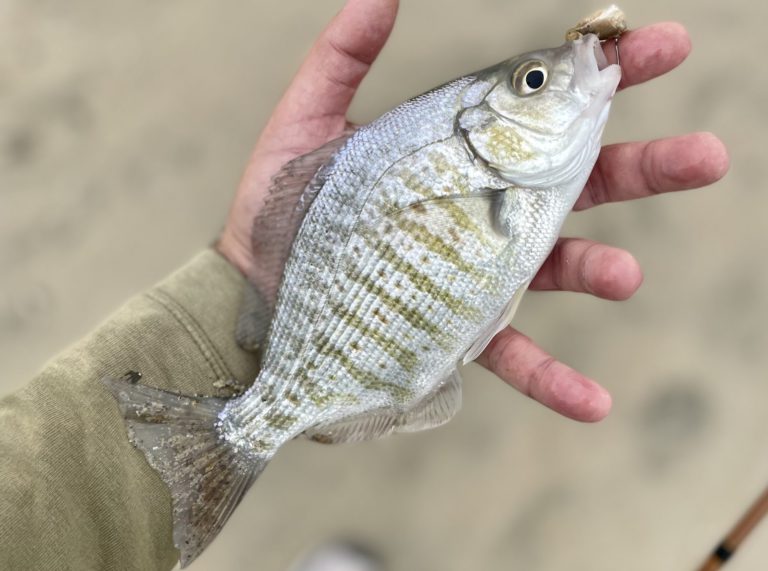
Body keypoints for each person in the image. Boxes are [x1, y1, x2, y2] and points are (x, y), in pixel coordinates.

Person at [0, 0, 729, 569]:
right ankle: (259, 447)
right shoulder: (514, 179)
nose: (550, 80)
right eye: (531, 82)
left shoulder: (524, 173)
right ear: (482, 128)